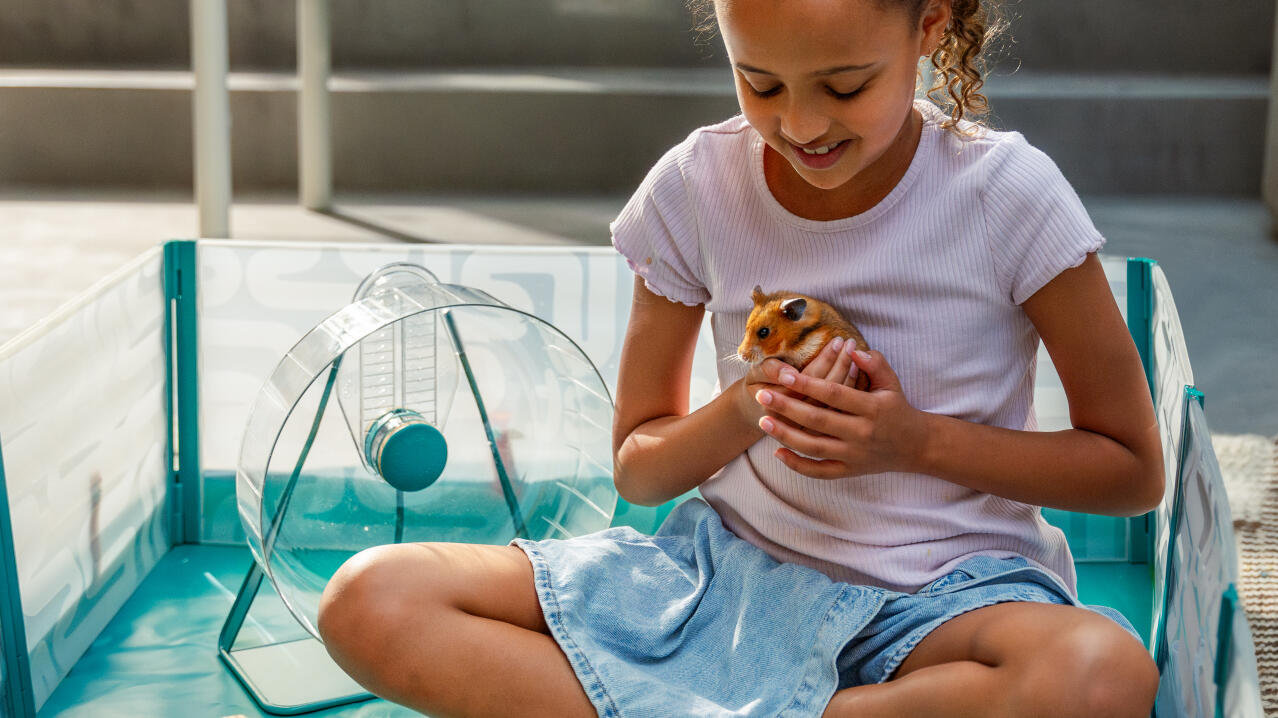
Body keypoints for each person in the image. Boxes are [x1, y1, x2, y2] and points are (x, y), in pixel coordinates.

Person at [316, 0, 1166, 715]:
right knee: (370, 598)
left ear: (929, 27)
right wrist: (743, 407)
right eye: (759, 83)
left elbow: (1132, 472)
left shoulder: (1007, 194)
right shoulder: (697, 186)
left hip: (940, 603)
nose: (799, 124)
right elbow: (640, 471)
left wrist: (911, 443)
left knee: (1100, 674)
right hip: (721, 582)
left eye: (846, 85)